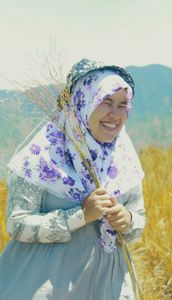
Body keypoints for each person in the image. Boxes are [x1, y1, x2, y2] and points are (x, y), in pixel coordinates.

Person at [0, 58, 146, 300]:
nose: (116, 114)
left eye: (123, 105)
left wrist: (127, 219)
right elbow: (16, 225)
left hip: (106, 287)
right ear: (82, 102)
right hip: (45, 287)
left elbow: (136, 224)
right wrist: (80, 216)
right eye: (106, 101)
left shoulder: (123, 160)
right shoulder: (41, 156)